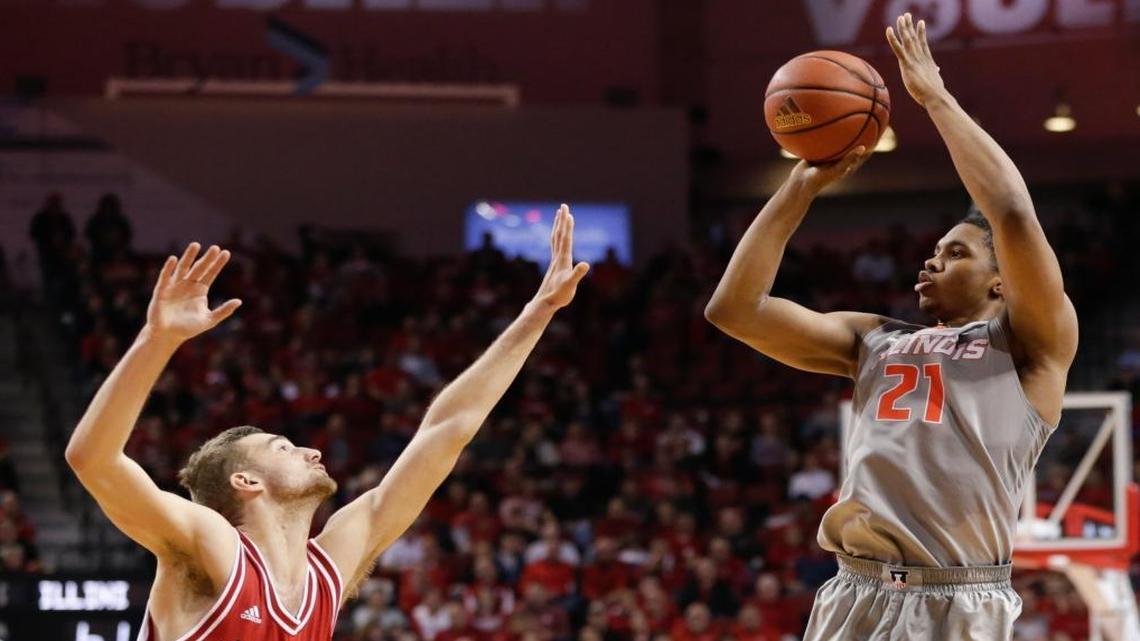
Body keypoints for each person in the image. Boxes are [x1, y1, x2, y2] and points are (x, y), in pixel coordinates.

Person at [705, 14, 1077, 641]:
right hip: (852, 590)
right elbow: (734, 310)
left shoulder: (1029, 346)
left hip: (953, 599)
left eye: (956, 253)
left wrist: (934, 97)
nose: (932, 261)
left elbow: (1011, 211)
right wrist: (800, 189)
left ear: (1001, 282)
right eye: (933, 251)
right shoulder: (875, 339)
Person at [65, 205, 590, 641]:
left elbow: (448, 429)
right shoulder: (213, 545)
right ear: (245, 481)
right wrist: (157, 341)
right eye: (282, 448)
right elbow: (93, 460)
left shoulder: (330, 565)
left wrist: (536, 315)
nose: (312, 451)